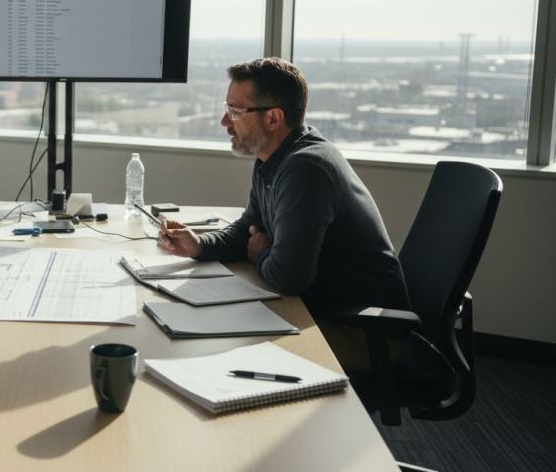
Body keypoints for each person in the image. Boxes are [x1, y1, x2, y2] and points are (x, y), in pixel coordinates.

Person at [158, 57, 411, 370]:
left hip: (368, 335)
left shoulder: (306, 168)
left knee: (224, 348)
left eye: (235, 112)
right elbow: (248, 229)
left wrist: (261, 253)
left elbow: (289, 278)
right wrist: (200, 244)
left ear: (273, 119)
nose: (225, 121)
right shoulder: (272, 158)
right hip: (320, 311)